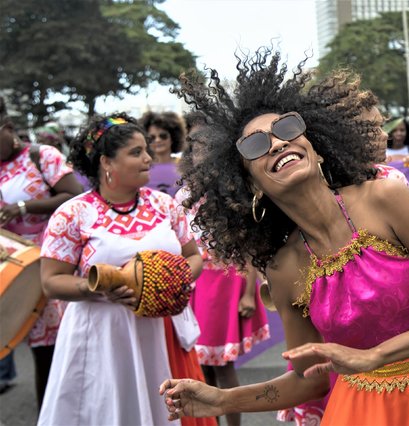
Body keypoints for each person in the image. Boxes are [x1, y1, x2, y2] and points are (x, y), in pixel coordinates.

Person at [159, 47, 409, 425]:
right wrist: (222, 399)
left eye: (287, 128)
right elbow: (309, 380)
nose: (278, 143)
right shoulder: (284, 270)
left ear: (316, 149)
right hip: (366, 412)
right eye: (255, 145)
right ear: (250, 183)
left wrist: (376, 355)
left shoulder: (385, 199)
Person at [38, 113, 215, 426]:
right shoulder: (73, 214)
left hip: (164, 331)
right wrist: (100, 286)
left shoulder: (165, 205)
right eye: (136, 153)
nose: (148, 158)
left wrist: (169, 280)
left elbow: (194, 256)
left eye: (146, 149)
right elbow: (51, 282)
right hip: (103, 334)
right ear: (106, 162)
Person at [177, 118, 271, 426]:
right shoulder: (182, 195)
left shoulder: (232, 191)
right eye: (195, 147)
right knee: (199, 364)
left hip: (226, 283)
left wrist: (248, 294)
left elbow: (248, 247)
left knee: (222, 364)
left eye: (207, 147)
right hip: (193, 284)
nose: (201, 153)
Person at [0, 96, 83, 406]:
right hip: (13, 268)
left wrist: (24, 207)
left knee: (56, 350)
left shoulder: (41, 156)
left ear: (7, 128)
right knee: (32, 349)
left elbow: (74, 195)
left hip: (52, 262)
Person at [140, 111, 186, 197]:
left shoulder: (185, 166)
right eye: (152, 138)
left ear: (172, 138)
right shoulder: (141, 168)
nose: (158, 140)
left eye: (163, 136)